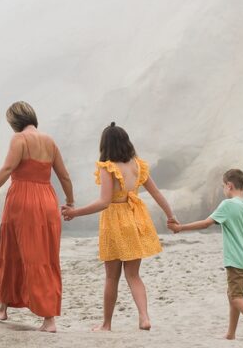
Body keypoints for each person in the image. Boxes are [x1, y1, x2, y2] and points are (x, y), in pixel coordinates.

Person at [62, 123, 177, 331]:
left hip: (114, 223)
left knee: (111, 277)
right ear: (126, 142)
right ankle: (144, 317)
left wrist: (75, 212)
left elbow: (104, 202)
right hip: (135, 219)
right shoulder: (137, 165)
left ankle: (106, 324)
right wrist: (171, 216)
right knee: (133, 275)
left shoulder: (108, 167)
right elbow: (156, 193)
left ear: (105, 145)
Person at [0, 101, 74, 332]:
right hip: (47, 200)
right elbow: (64, 176)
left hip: (21, 200)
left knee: (10, 251)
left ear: (14, 121)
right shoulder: (50, 141)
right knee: (44, 256)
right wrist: (70, 202)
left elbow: (7, 169)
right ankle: (47, 318)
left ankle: (5, 309)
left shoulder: (19, 139)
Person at [169, 169, 243, 342]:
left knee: (236, 297)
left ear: (229, 186)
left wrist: (181, 228)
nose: (224, 189)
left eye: (223, 186)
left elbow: (206, 223)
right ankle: (231, 334)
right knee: (234, 296)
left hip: (235, 259)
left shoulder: (227, 205)